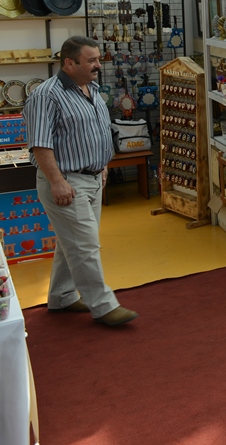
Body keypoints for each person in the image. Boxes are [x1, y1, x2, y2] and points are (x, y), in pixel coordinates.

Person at [22, 36, 138, 326]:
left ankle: (62, 296)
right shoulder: (46, 96)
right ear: (69, 64)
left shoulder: (92, 88)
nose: (98, 65)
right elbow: (40, 145)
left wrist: (102, 166)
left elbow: (95, 131)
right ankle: (104, 306)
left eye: (98, 59)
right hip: (66, 182)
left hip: (92, 178)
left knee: (71, 243)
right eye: (91, 60)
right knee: (85, 246)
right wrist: (57, 182)